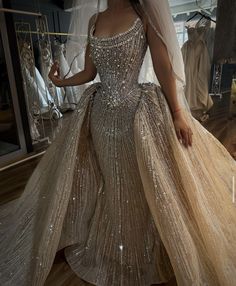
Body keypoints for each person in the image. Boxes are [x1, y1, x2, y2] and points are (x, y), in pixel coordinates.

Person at [0, 1, 236, 286]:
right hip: (100, 115)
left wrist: (176, 113)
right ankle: (113, 238)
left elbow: (163, 65)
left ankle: (140, 246)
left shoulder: (143, 16)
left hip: (133, 115)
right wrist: (61, 83)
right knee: (110, 180)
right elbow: (89, 72)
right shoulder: (95, 20)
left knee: (136, 179)